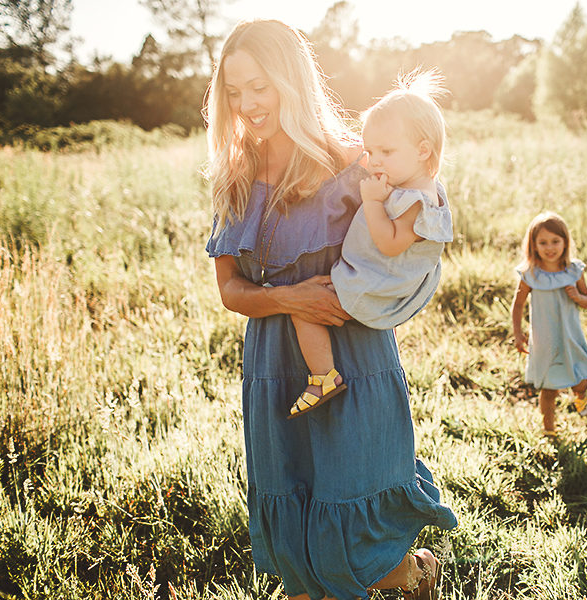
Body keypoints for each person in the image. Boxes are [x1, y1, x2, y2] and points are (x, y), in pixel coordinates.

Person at [204, 20, 456, 600]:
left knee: (354, 522)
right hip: (276, 358)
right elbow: (231, 292)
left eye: (259, 86)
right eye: (234, 90)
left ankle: (413, 572)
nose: (246, 104)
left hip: (353, 349)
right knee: (296, 543)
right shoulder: (234, 177)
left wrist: (393, 296)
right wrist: (292, 298)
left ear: (290, 80)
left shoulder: (354, 160)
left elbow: (414, 234)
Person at [288, 70, 453, 419]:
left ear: (423, 150)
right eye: (370, 150)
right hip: (380, 278)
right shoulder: (420, 188)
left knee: (303, 309)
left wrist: (373, 202)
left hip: (370, 284)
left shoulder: (415, 201)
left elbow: (390, 243)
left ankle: (323, 377)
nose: (374, 161)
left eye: (386, 151)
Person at [510, 212, 587, 437]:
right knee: (549, 389)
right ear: (534, 245)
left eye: (555, 241)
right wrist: (518, 334)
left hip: (571, 337)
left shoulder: (573, 271)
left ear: (565, 242)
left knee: (581, 381)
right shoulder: (531, 275)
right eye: (543, 242)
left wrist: (578, 296)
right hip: (545, 340)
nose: (550, 248)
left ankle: (581, 402)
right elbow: (518, 305)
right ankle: (549, 431)